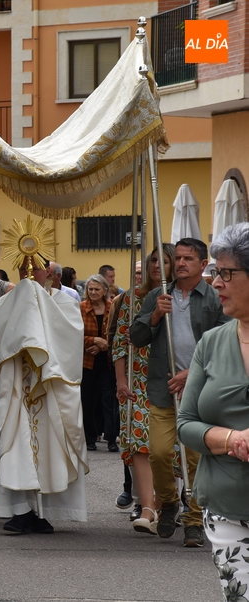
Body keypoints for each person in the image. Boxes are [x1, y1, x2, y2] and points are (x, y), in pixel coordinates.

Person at [131, 237, 230, 547]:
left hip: (201, 388)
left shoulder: (215, 297)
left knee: (197, 457)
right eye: (179, 258)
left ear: (203, 265)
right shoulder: (159, 296)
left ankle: (194, 520)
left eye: (189, 258)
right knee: (159, 452)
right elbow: (136, 337)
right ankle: (170, 501)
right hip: (163, 387)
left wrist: (193, 373)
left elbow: (226, 342)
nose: (181, 263)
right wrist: (156, 316)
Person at [0, 256, 89, 535]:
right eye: (23, 267)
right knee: (18, 443)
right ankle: (21, 511)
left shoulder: (65, 302)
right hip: (20, 384)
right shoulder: (9, 301)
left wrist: (36, 312)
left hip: (51, 384)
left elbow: (70, 336)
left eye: (36, 267)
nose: (29, 271)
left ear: (50, 274)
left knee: (51, 445)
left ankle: (44, 510)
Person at [177, 223, 249, 598]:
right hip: (226, 507)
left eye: (226, 273)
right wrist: (231, 438)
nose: (216, 282)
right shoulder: (212, 343)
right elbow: (186, 425)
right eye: (215, 272)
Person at [113, 245, 175, 532]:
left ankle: (165, 504)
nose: (156, 266)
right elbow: (120, 341)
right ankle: (148, 507)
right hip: (137, 378)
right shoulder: (131, 297)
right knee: (140, 444)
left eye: (163, 261)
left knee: (167, 447)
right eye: (153, 260)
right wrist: (121, 380)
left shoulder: (178, 296)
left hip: (169, 377)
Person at [79, 274, 118, 452]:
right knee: (87, 399)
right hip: (87, 360)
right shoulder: (80, 308)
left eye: (96, 289)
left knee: (109, 398)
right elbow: (74, 333)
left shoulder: (113, 307)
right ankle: (90, 438)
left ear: (104, 290)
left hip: (108, 360)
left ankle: (111, 438)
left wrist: (103, 345)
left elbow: (118, 331)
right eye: (90, 289)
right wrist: (93, 340)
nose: (93, 292)